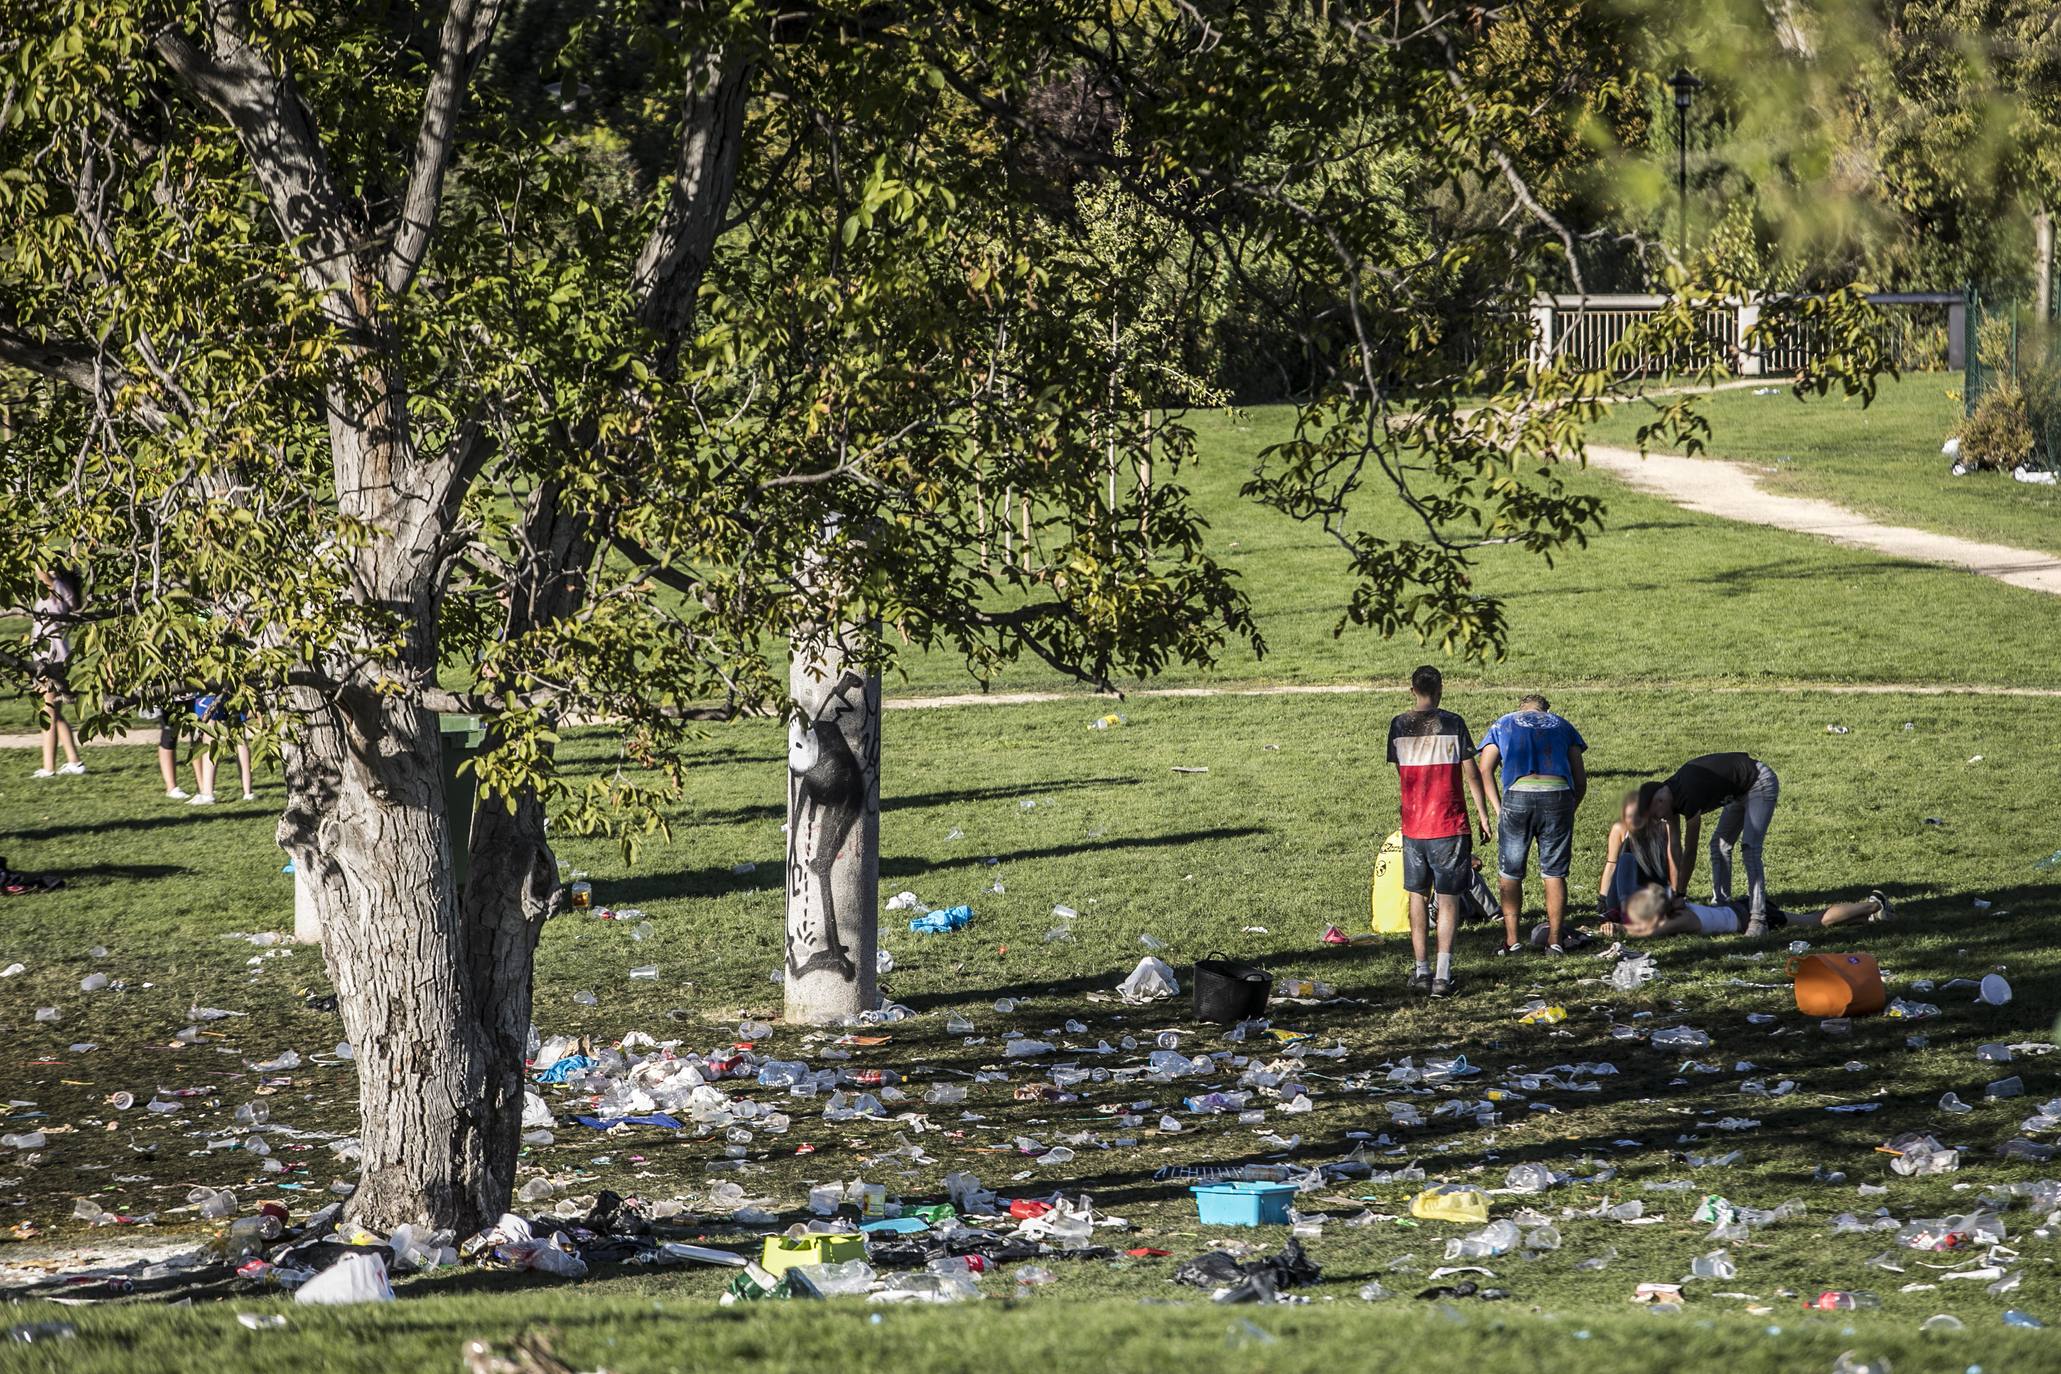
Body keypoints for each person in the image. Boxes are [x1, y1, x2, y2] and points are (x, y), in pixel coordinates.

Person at [1385, 664, 1495, 998]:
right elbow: (1472, 773)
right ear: (1441, 688)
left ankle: (1421, 971)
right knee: (1447, 899)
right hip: (1449, 823)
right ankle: (1443, 975)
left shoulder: (1398, 725)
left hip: (1414, 825)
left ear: (1411, 689)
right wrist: (1484, 813)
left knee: (1417, 895)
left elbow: (1402, 772)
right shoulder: (1453, 723)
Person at [1476, 693, 1586, 955]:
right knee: (1554, 872)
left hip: (1519, 794)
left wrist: (1498, 808)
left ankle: (1512, 941)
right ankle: (1555, 941)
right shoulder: (1562, 724)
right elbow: (1580, 778)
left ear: (1521, 708)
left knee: (1510, 872)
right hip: (1558, 794)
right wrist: (1570, 807)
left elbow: (1484, 767)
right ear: (1546, 709)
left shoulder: (1503, 723)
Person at [1633, 752, 1780, 936]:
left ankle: (1759, 919)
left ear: (1660, 801)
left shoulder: (1688, 795)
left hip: (1758, 781)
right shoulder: (1668, 794)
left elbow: (1690, 851)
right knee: (1719, 845)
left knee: (1750, 848)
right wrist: (1674, 890)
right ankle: (1721, 904)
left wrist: (1680, 894)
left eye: (1656, 815)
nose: (1659, 819)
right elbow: (1675, 847)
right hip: (1738, 791)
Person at [1601, 882, 1892, 940]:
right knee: (1811, 922)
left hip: (1748, 915)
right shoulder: (1682, 910)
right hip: (1741, 908)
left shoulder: (1683, 919)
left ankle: (1874, 903)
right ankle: (1866, 918)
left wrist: (1621, 930)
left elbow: (1650, 931)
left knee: (1813, 921)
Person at [29, 567, 84, 779]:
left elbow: (41, 573)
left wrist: (30, 546)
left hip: (50, 658)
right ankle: (74, 761)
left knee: (48, 713)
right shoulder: (63, 589)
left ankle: (48, 767)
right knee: (55, 712)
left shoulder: (57, 587)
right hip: (53, 657)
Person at [1599, 788, 1672, 914]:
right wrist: (1602, 899)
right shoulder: (1620, 829)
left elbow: (1672, 863)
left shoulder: (1663, 829)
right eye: (1628, 816)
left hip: (1652, 892)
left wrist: (1676, 893)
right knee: (1627, 859)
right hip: (1624, 893)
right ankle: (1624, 911)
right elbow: (1611, 865)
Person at [188, 688, 254, 805]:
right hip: (233, 687)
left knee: (210, 734)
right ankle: (248, 792)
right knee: (238, 733)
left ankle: (208, 793)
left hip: (211, 689)